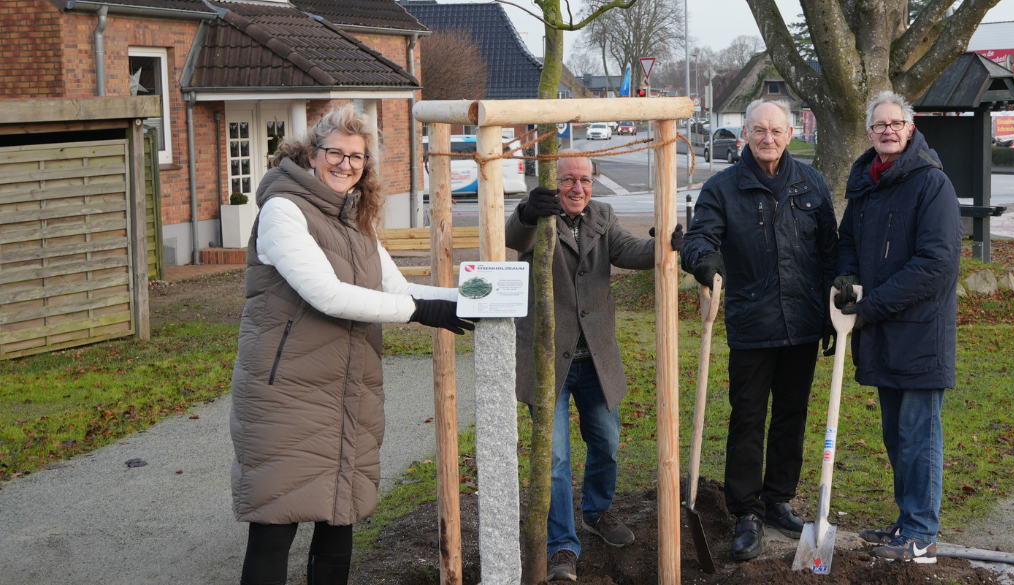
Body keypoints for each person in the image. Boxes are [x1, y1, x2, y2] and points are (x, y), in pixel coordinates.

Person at [229, 104, 474, 585]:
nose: (346, 164)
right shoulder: (283, 210)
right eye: (335, 153)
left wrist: (475, 297)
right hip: (287, 394)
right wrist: (421, 313)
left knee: (339, 519)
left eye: (357, 157)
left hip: (347, 389)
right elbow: (327, 294)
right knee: (274, 526)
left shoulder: (356, 220)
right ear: (312, 154)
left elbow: (396, 289)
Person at [505, 152, 683, 581]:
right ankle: (562, 547)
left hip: (596, 361)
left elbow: (629, 250)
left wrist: (664, 243)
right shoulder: (538, 216)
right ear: (554, 182)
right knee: (555, 460)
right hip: (548, 362)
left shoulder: (602, 216)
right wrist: (528, 212)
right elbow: (514, 236)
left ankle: (597, 511)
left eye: (584, 179)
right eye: (568, 179)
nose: (577, 188)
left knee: (606, 442)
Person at [681, 98, 838, 561]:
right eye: (759, 130)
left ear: (790, 134)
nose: (768, 138)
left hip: (803, 323)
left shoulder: (811, 184)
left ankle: (777, 500)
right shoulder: (722, 188)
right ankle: (746, 511)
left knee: (792, 414)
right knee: (748, 417)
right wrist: (704, 261)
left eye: (776, 130)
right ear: (745, 135)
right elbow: (698, 238)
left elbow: (830, 250)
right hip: (752, 323)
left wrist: (832, 310)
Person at [834, 90, 961, 565]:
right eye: (879, 125)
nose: (887, 131)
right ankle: (907, 520)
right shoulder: (867, 183)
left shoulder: (931, 184)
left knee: (918, 435)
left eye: (895, 123)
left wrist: (871, 306)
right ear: (870, 133)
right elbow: (848, 241)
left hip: (920, 334)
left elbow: (936, 264)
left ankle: (922, 534)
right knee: (896, 436)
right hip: (883, 333)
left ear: (910, 128)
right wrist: (847, 276)